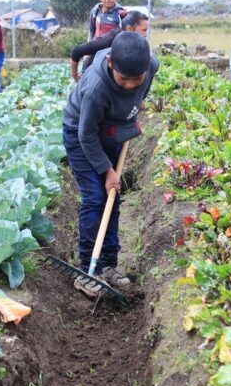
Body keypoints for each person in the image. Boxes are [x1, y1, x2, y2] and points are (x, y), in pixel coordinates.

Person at [62, 32, 160, 298]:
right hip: (81, 133)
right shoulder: (95, 87)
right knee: (96, 197)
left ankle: (108, 265)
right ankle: (87, 271)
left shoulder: (150, 65)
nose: (130, 85)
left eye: (136, 79)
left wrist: (132, 111)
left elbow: (142, 89)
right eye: (122, 79)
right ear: (109, 64)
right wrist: (107, 171)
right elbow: (86, 135)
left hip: (113, 127)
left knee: (112, 198)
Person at [68, 10, 149, 81]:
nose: (145, 35)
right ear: (129, 29)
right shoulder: (108, 41)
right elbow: (77, 51)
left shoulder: (137, 43)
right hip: (93, 79)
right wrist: (76, 77)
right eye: (144, 30)